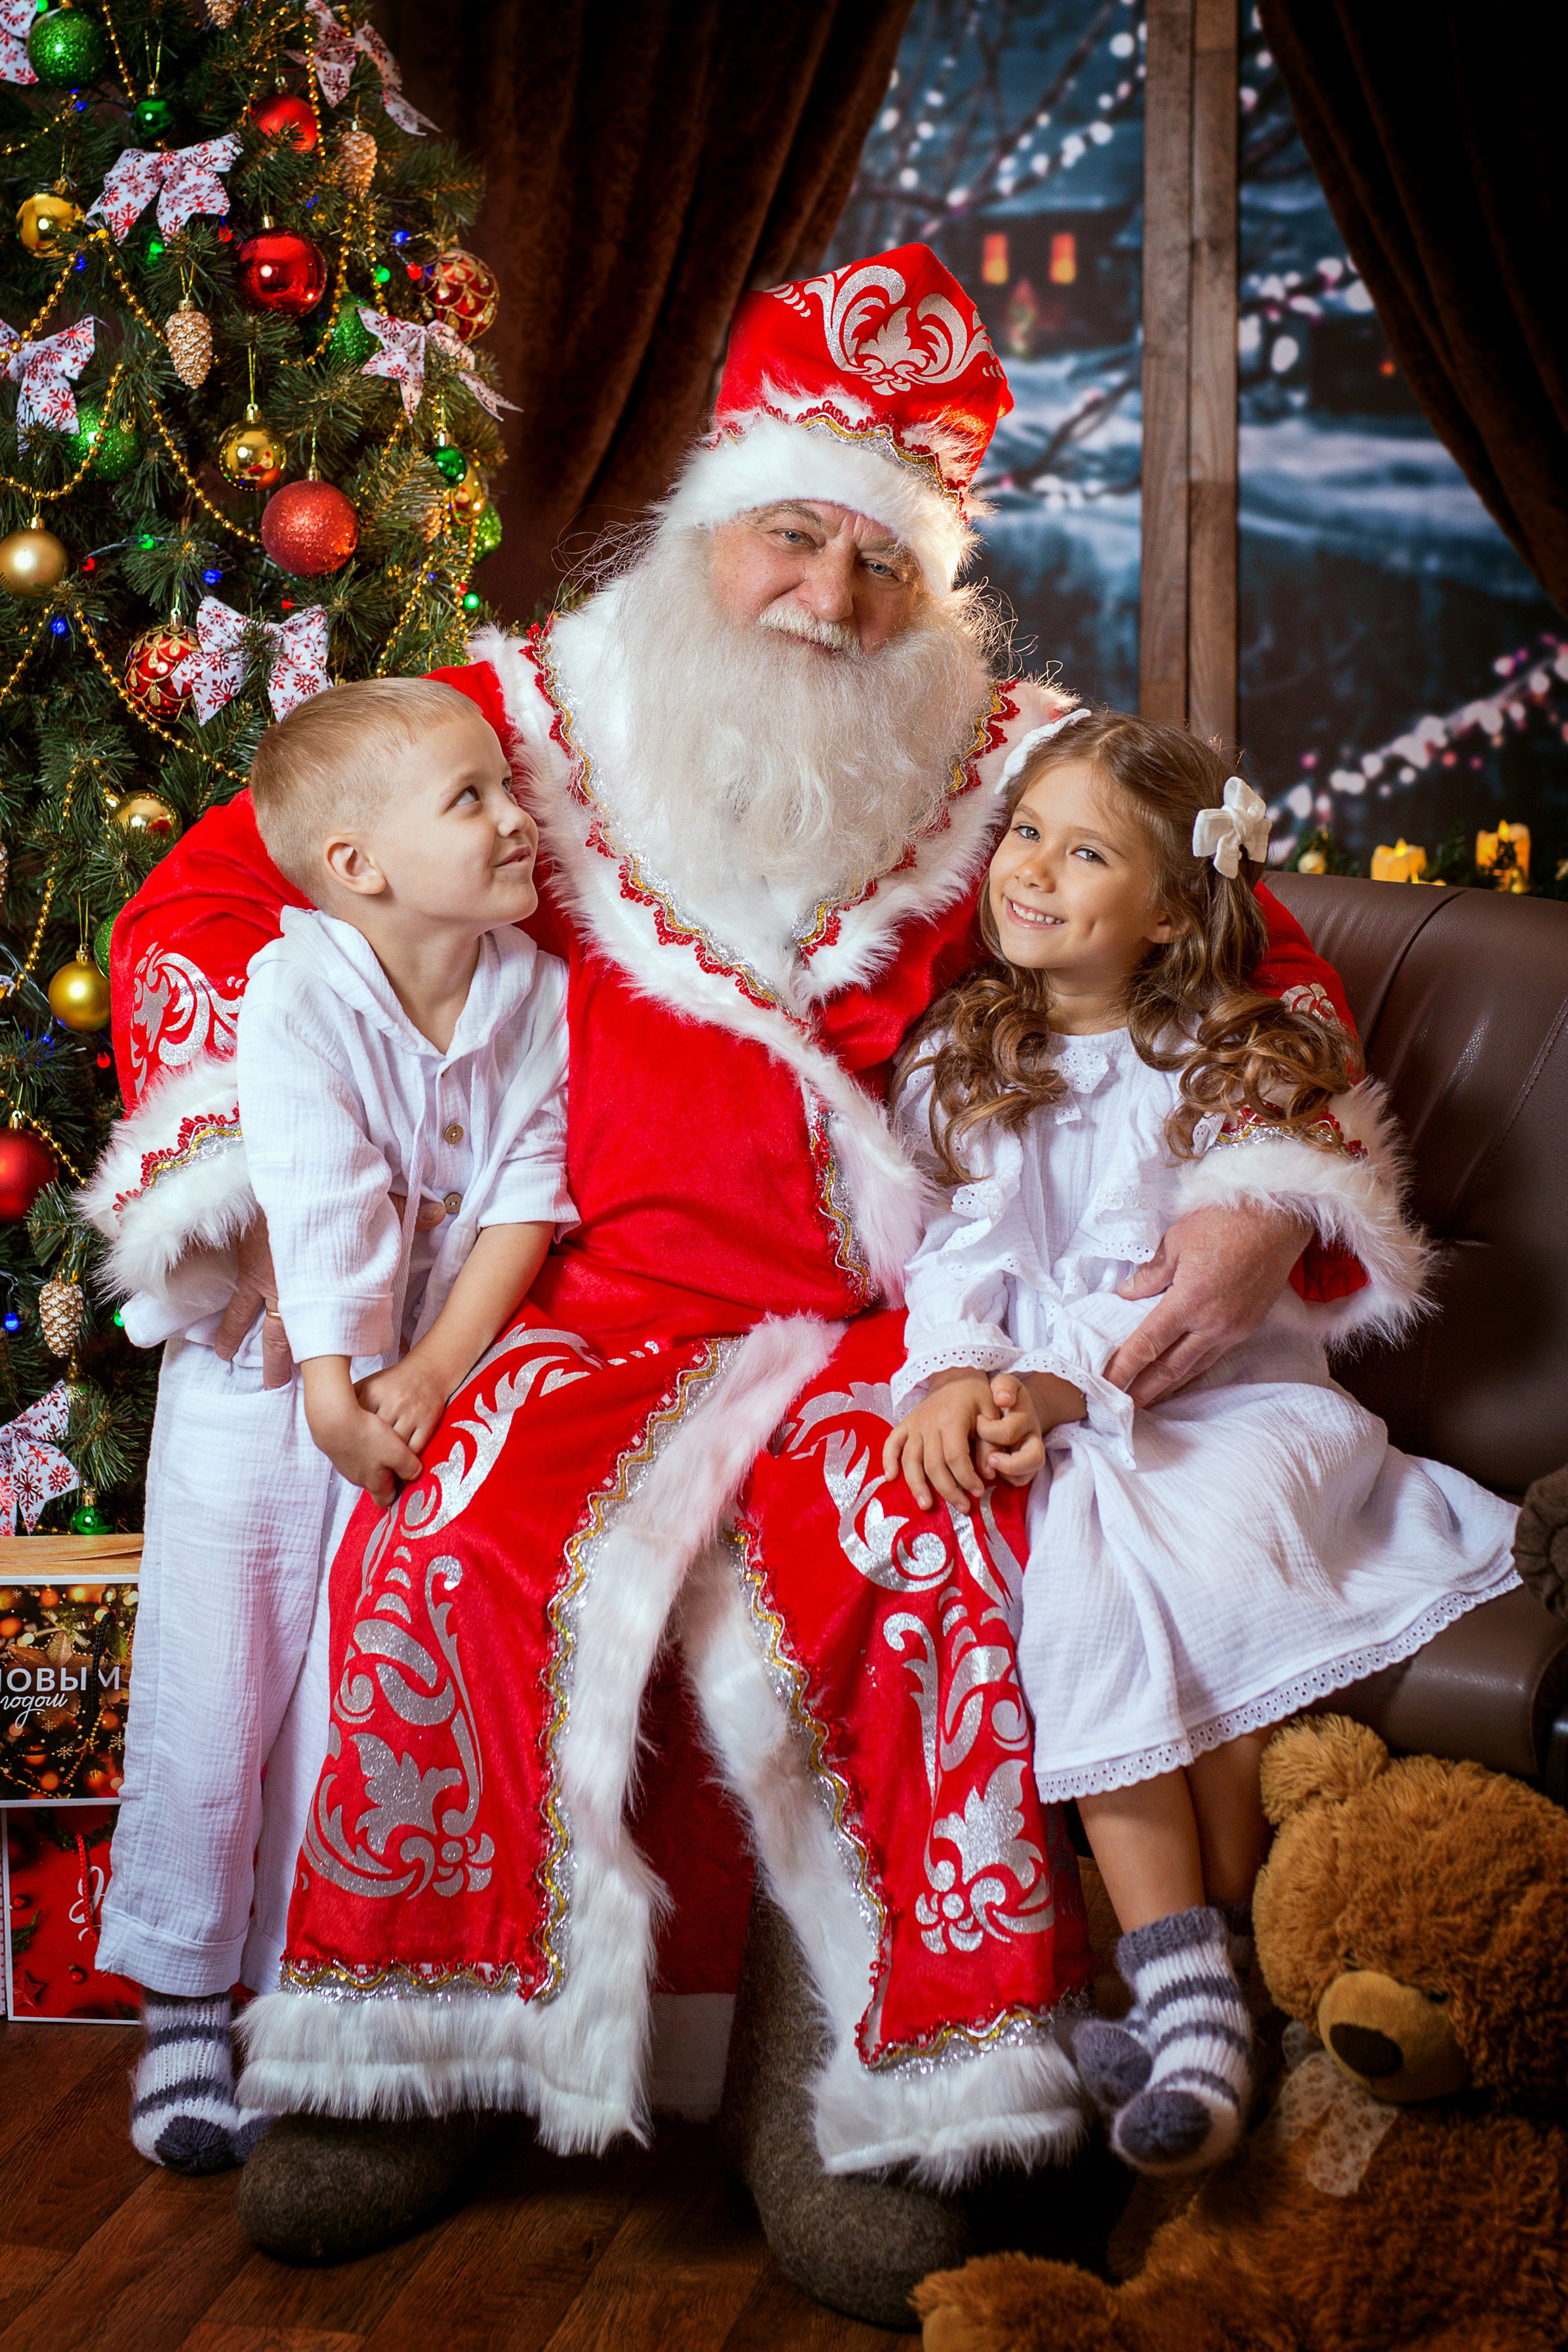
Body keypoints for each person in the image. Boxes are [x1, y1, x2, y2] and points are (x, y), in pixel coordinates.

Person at [83, 245, 1372, 2315]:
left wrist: (1251, 1202)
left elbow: (1252, 948)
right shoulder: (509, 726)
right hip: (565, 1297)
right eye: (792, 536)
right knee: (454, 1543)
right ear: (707, 520)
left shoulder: (1022, 767)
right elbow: (218, 887)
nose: (830, 604)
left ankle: (872, 2091)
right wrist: (262, 1185)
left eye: (882, 565)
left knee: (926, 1566)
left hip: (899, 1326)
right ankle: (410, 2065)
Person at [884, 706, 1518, 2180]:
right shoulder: (972, 1053)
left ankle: (1188, 1956)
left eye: (1085, 849)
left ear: (1174, 906)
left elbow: (1170, 1305)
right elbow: (958, 1259)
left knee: (1158, 1557)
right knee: (1089, 1576)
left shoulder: (1231, 1064)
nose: (1031, 869)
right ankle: (1188, 2003)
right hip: (1076, 1409)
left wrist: (1058, 1391)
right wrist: (959, 1374)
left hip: (1231, 1405)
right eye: (1025, 831)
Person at [89, 676, 573, 2176]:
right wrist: (330, 1383)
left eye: (508, 784)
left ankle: (308, 1996)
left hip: (408, 1377)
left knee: (343, 1684)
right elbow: (313, 1197)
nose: (515, 817)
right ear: (360, 866)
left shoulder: (529, 991)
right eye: (473, 799)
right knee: (219, 1664)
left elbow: (526, 1194)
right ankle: (179, 1996)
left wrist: (423, 1377)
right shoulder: (299, 987)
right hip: (270, 1374)